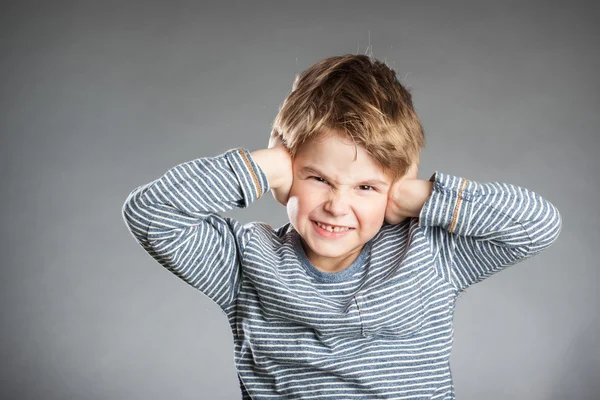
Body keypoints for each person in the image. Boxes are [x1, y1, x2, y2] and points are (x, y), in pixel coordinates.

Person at [121, 54, 562, 399]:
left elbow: (536, 225)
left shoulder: (429, 255)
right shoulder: (243, 263)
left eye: (366, 187)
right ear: (288, 170)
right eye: (318, 178)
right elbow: (152, 213)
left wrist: (418, 195)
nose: (337, 205)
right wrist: (266, 163)